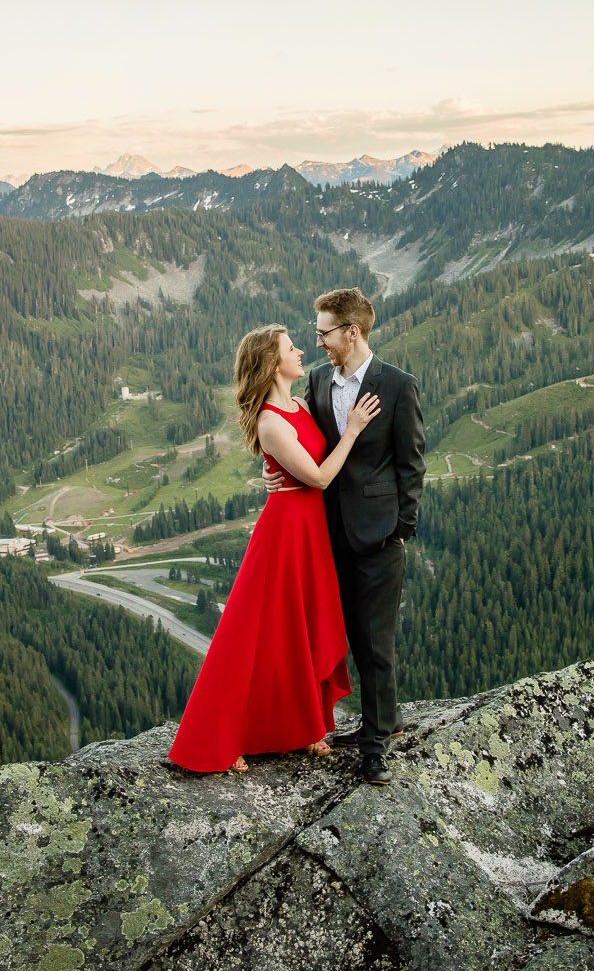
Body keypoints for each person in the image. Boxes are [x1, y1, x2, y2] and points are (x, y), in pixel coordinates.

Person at [166, 324, 382, 774]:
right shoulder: (269, 420)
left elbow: (306, 462)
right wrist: (354, 430)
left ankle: (300, 728)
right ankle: (228, 736)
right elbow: (319, 477)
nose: (301, 351)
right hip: (284, 535)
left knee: (295, 632)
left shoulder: (300, 405)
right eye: (291, 347)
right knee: (256, 636)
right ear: (272, 362)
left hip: (309, 531)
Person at [298, 287, 426, 786]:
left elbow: (411, 463)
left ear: (352, 332)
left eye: (324, 333)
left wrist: (401, 529)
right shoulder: (315, 381)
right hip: (329, 534)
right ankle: (383, 722)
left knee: (375, 645)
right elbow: (308, 443)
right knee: (345, 636)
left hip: (379, 537)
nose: (318, 342)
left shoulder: (397, 386)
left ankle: (374, 749)